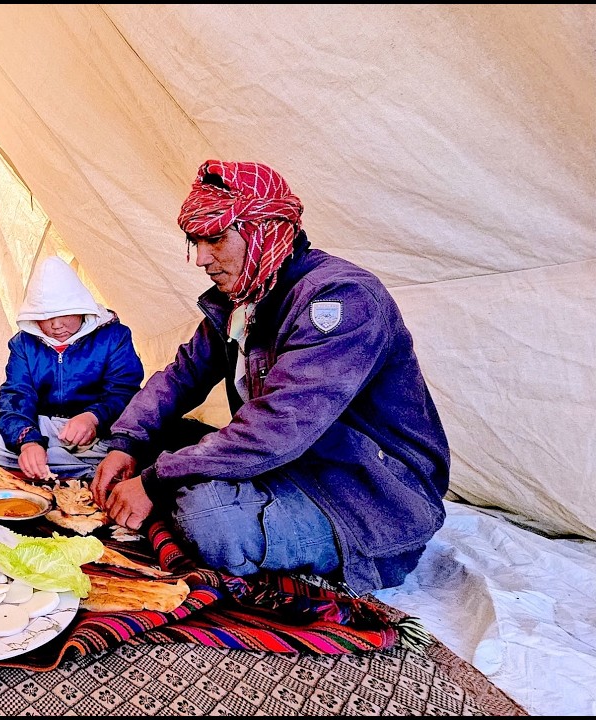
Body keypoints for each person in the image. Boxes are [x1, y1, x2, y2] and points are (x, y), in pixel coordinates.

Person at [91, 160, 450, 595]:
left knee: (208, 518)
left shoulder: (341, 299)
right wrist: (127, 443)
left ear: (264, 230)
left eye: (216, 238)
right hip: (287, 464)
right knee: (152, 443)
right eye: (195, 241)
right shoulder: (247, 296)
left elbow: (281, 425)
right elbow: (181, 376)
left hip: (363, 491)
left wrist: (153, 478)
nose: (202, 258)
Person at [0, 256, 144, 479]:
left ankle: (53, 465)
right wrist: (28, 441)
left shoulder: (114, 337)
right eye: (46, 317)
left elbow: (124, 391)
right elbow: (16, 395)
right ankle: (85, 469)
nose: (56, 325)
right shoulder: (23, 344)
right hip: (49, 428)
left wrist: (93, 417)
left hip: (100, 431)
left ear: (82, 307)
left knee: (140, 442)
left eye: (65, 314)